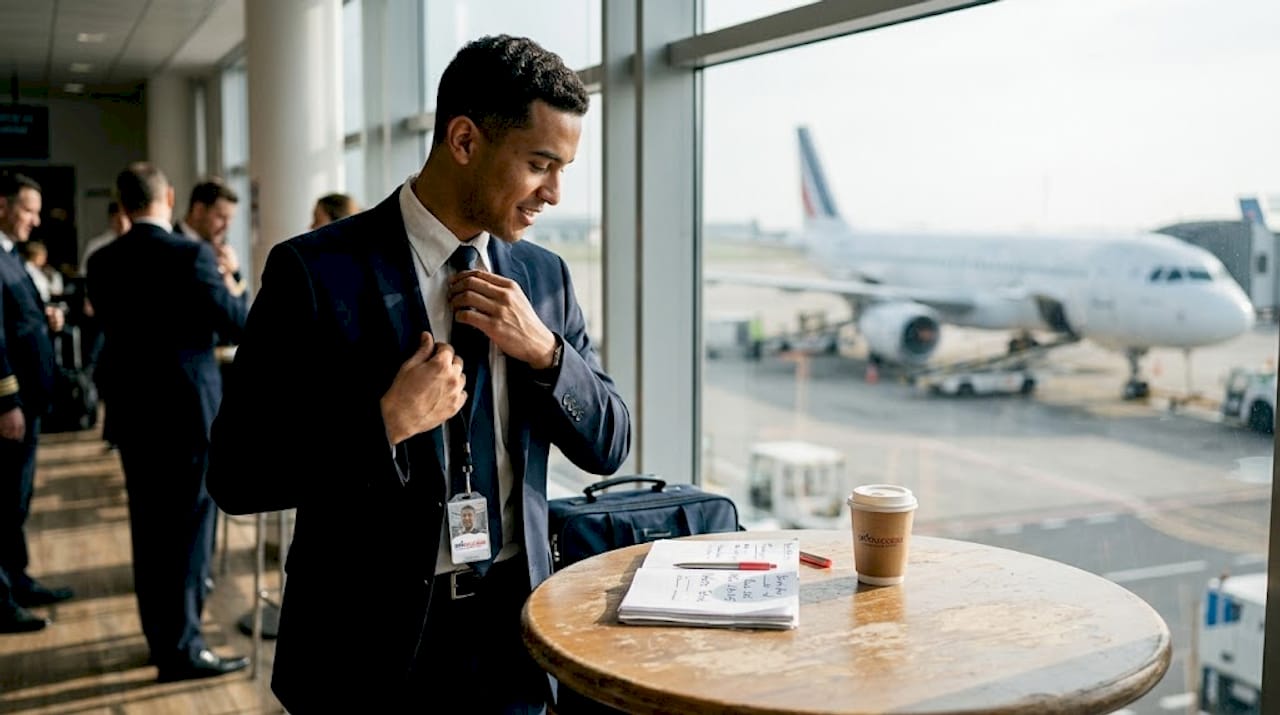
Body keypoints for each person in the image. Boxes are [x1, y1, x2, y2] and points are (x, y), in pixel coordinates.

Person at [207, 34, 631, 712]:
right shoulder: (314, 274)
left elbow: (609, 444)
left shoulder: (543, 278)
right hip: (364, 650)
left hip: (515, 634)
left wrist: (547, 353)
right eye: (540, 163)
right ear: (464, 141)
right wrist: (384, 423)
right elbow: (236, 472)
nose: (554, 192)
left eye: (563, 168)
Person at [86, 163, 249, 681]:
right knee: (187, 535)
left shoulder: (103, 261)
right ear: (170, 197)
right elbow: (236, 322)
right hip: (186, 418)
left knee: (149, 532)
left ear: (124, 201)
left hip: (133, 415)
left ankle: (161, 638)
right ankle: (183, 649)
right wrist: (232, 280)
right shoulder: (192, 255)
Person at [0, 173, 73, 633]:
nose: (36, 219)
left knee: (16, 500)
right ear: (2, 206)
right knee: (4, 502)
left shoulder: (8, 256)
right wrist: (5, 400)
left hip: (28, 400)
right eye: (28, 209)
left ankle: (17, 579)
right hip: (11, 404)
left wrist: (44, 319)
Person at [175, 178, 247, 301]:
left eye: (230, 219)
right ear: (199, 211)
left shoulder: (222, 251)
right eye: (221, 217)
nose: (227, 226)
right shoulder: (169, 245)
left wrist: (234, 272)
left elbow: (243, 307)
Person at [81, 201, 130, 276]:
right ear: (110, 219)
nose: (122, 223)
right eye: (117, 219)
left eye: (126, 218)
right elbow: (83, 274)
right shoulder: (95, 245)